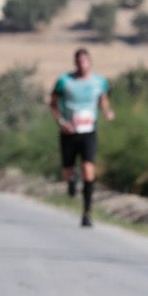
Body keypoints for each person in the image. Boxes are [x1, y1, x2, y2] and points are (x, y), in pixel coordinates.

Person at [49, 47, 114, 227]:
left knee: (88, 169)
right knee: (67, 171)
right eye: (79, 62)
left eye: (85, 61)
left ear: (90, 62)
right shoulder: (64, 81)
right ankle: (71, 180)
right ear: (75, 63)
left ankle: (87, 212)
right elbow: (53, 104)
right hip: (69, 132)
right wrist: (62, 122)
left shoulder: (99, 82)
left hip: (88, 132)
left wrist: (107, 112)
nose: (82, 65)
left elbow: (103, 99)